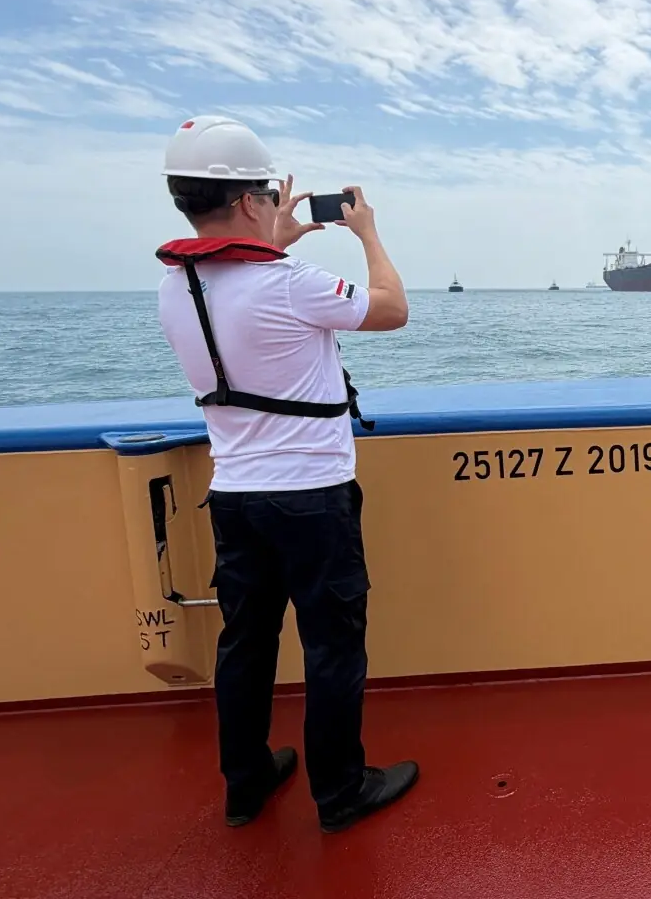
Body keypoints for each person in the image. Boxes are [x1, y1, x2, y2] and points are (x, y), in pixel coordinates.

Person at [152, 115, 417, 833]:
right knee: (332, 645)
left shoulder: (178, 289)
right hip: (312, 499)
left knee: (247, 643)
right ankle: (340, 792)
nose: (277, 201)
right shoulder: (290, 285)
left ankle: (245, 783)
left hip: (235, 498)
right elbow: (392, 310)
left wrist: (272, 239)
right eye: (268, 192)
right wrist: (366, 233)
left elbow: (242, 286)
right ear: (246, 202)